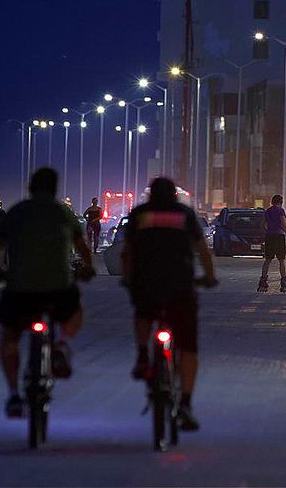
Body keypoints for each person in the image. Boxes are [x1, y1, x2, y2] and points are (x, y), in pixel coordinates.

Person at [0, 167, 94, 418]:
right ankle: (61, 344)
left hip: (19, 289)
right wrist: (87, 269)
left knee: (10, 335)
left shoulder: (17, 212)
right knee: (75, 309)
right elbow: (82, 246)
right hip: (58, 288)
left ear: (30, 187)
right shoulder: (63, 212)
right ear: (55, 188)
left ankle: (14, 394)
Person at [121, 177, 217, 431]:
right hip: (180, 287)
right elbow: (202, 250)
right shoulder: (184, 215)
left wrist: (128, 279)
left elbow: (127, 251)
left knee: (143, 313)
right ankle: (185, 403)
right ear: (175, 195)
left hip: (147, 284)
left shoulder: (140, 214)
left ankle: (143, 355)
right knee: (187, 346)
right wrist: (209, 277)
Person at [258, 194, 286, 293]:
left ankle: (263, 281)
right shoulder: (280, 210)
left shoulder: (267, 211)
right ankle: (284, 281)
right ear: (281, 202)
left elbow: (262, 225)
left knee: (268, 259)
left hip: (269, 236)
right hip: (279, 236)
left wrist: (268, 231)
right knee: (281, 260)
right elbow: (283, 223)